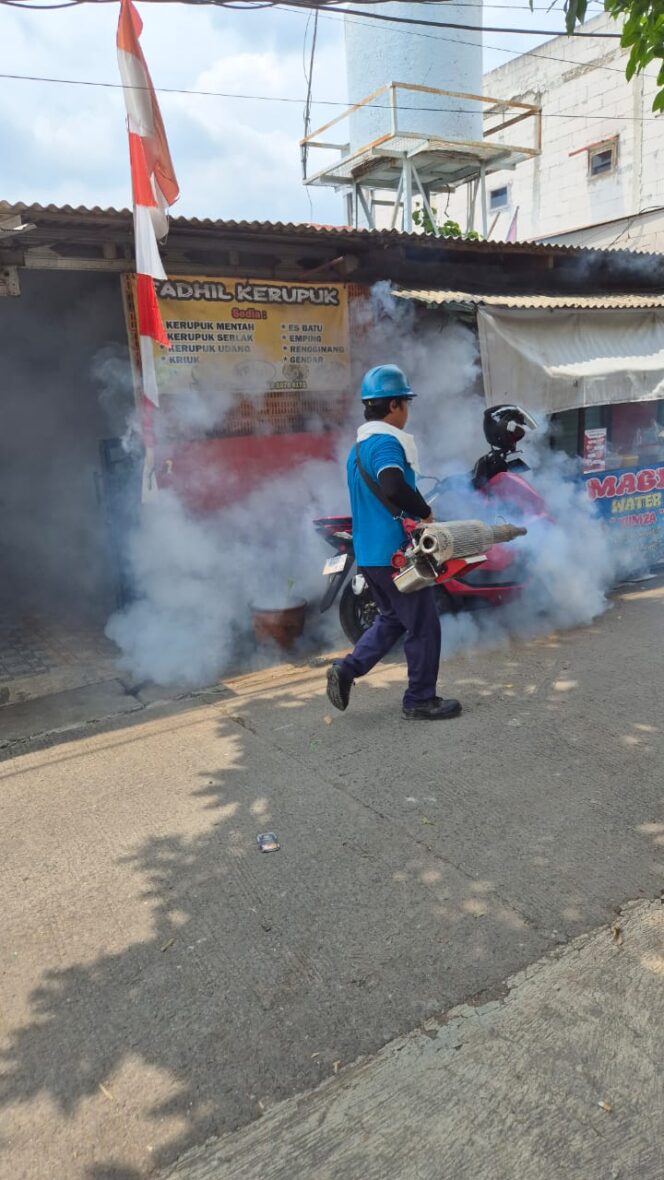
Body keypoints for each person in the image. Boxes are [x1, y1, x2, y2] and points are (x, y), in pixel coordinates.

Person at [326, 364, 461, 721]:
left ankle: (346, 670)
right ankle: (420, 699)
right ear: (394, 406)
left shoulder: (357, 449)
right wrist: (424, 510)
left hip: (369, 555)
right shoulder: (386, 442)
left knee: (391, 619)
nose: (407, 412)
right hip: (395, 554)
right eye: (406, 403)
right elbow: (392, 485)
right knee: (424, 626)